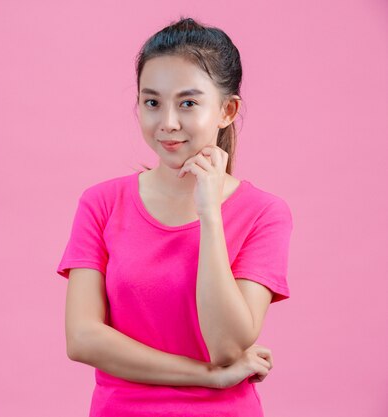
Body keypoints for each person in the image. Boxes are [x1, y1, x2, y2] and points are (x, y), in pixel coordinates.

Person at [55, 16, 293, 417]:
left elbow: (227, 346)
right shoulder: (102, 203)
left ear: (227, 110)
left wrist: (209, 214)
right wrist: (207, 376)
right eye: (152, 103)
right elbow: (82, 339)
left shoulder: (264, 214)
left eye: (188, 103)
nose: (167, 123)